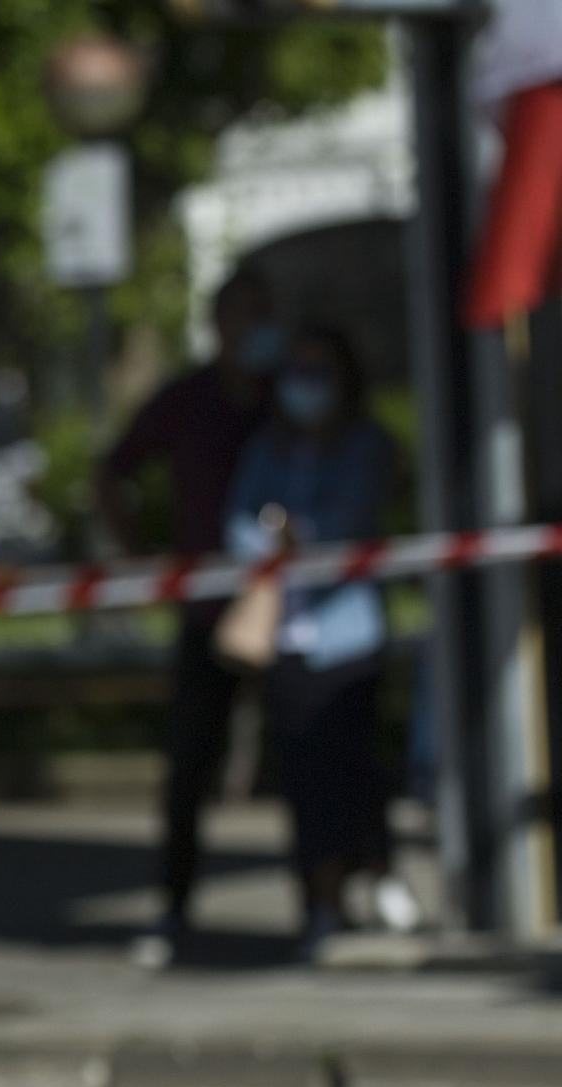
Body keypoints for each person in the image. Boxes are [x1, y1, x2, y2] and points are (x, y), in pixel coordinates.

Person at [96, 268, 281, 967]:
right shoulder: (188, 400)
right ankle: (175, 905)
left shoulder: (284, 396)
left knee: (315, 754)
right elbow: (114, 470)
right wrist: (141, 557)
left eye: (267, 314)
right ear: (220, 324)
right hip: (210, 609)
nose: (259, 328)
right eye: (247, 314)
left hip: (290, 611)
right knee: (190, 766)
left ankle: (332, 896)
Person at [224, 326, 411, 960]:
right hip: (289, 641)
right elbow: (239, 525)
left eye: (320, 372)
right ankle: (320, 900)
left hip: (348, 633)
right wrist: (277, 541)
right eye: (296, 372)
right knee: (305, 780)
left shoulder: (363, 444)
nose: (306, 387)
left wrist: (287, 535)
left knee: (357, 766)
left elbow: (347, 523)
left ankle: (376, 869)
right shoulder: (267, 448)